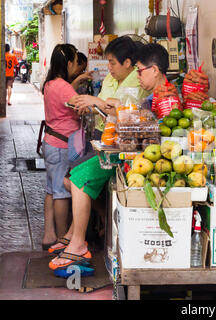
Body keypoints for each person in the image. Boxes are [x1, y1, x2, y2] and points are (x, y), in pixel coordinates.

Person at [48, 37, 155, 270]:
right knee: (74, 179)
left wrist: (100, 103)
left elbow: (126, 111)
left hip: (121, 148)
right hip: (104, 140)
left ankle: (77, 244)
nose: (109, 68)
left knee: (78, 180)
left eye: (113, 63)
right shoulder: (111, 79)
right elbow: (113, 106)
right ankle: (74, 236)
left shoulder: (139, 85)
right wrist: (96, 105)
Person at [41, 44, 88, 250]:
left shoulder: (50, 83)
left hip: (50, 141)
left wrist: (76, 81)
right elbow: (80, 105)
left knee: (51, 190)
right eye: (76, 62)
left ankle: (48, 235)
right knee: (62, 193)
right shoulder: (64, 87)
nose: (76, 66)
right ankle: (62, 239)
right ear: (68, 63)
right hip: (61, 145)